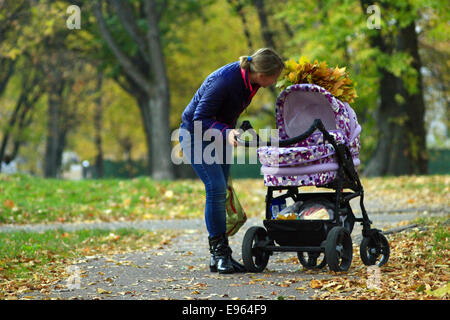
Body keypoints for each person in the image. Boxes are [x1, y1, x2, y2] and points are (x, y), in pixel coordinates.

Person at [178, 48, 285, 274]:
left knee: (223, 190)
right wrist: (226, 132)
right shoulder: (225, 81)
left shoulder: (252, 82)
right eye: (275, 77)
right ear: (263, 74)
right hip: (195, 135)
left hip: (220, 135)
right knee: (215, 188)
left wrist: (231, 131)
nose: (275, 82)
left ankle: (221, 255)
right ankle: (218, 254)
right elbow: (200, 117)